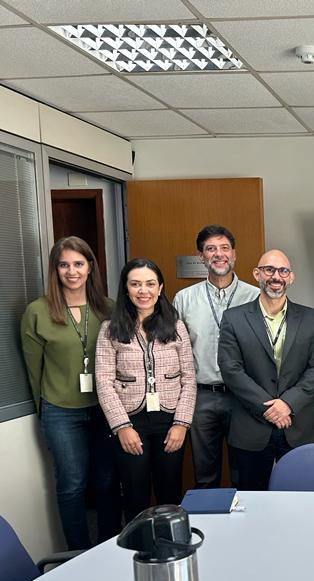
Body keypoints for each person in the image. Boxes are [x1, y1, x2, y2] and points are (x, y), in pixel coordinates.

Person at [21, 236, 117, 549]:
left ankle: (108, 547)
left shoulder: (109, 309)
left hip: (105, 409)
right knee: (72, 485)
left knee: (106, 482)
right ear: (55, 269)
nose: (71, 271)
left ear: (90, 267)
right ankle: (77, 554)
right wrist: (43, 413)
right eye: (64, 265)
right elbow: (33, 372)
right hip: (61, 411)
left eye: (78, 263)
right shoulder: (38, 312)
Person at [217, 249, 314, 490]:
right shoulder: (234, 318)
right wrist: (268, 407)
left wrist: (287, 404)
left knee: (301, 499)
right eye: (269, 270)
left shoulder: (310, 318)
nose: (276, 276)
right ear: (257, 274)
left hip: (297, 425)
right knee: (250, 500)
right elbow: (230, 369)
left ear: (291, 277)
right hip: (250, 427)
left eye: (283, 271)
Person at [96, 259, 196, 520]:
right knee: (135, 495)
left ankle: (171, 549)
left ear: (160, 288)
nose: (144, 291)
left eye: (150, 284)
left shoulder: (176, 327)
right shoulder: (110, 329)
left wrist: (182, 424)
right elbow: (104, 381)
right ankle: (139, 553)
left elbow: (189, 378)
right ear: (126, 289)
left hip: (170, 421)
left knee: (169, 493)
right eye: (136, 284)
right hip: (131, 422)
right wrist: (122, 427)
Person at [172, 225, 260, 488]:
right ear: (201, 256)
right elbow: (176, 352)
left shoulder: (255, 296)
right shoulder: (184, 299)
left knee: (244, 471)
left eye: (224, 248)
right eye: (211, 249)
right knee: (204, 474)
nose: (218, 254)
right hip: (202, 397)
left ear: (234, 255)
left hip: (243, 397)